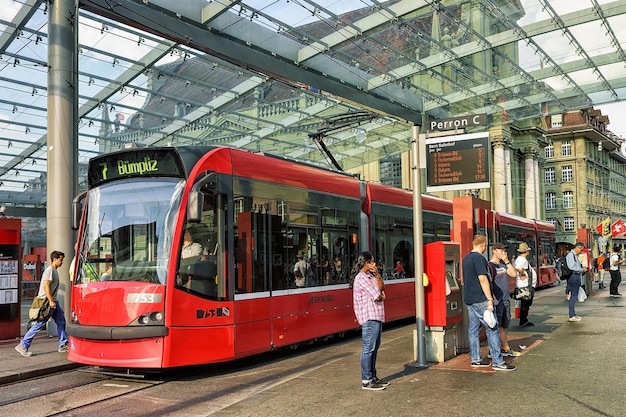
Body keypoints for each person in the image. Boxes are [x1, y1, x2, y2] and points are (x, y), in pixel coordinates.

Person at [462, 235, 516, 371]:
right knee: (493, 327)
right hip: (480, 298)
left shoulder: (466, 258)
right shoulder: (479, 259)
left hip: (469, 298)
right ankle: (498, 362)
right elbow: (483, 279)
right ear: (483, 245)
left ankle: (476, 359)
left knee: (473, 328)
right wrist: (490, 299)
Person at [15, 250, 68, 357]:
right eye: (60, 260)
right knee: (40, 324)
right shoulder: (50, 271)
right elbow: (46, 286)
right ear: (55, 259)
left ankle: (63, 344)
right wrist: (51, 301)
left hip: (53, 301)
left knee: (61, 321)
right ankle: (23, 345)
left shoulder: (54, 270)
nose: (62, 262)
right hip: (47, 302)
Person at [352, 251, 389, 390]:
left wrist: (378, 275)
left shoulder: (371, 276)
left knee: (375, 347)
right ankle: (366, 380)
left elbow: (382, 288)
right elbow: (377, 295)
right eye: (372, 261)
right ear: (367, 263)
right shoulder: (361, 278)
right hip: (369, 317)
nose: (374, 264)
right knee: (368, 348)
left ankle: (373, 377)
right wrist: (382, 295)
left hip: (377, 315)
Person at [488, 242, 521, 357]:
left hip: (506, 298)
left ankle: (505, 348)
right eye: (501, 251)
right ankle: (493, 350)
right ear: (494, 251)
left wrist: (506, 261)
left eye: (504, 251)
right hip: (497, 300)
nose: (503, 253)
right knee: (495, 326)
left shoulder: (503, 265)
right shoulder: (490, 266)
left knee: (504, 325)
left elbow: (513, 274)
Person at [514, 242, 536, 327]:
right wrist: (523, 274)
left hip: (526, 284)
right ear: (526, 251)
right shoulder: (521, 260)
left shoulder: (521, 259)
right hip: (525, 285)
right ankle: (523, 321)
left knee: (525, 303)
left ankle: (524, 320)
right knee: (525, 303)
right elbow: (518, 268)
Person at [566, 242, 587, 321]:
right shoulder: (571, 255)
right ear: (577, 248)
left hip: (577, 276)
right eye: (581, 250)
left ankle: (573, 314)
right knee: (573, 296)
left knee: (575, 296)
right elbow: (571, 267)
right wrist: (581, 269)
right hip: (573, 276)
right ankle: (571, 315)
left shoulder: (575, 256)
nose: (581, 252)